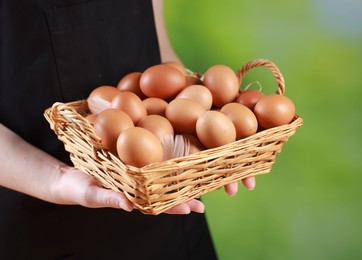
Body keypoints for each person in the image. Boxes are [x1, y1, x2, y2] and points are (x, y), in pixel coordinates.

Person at [0, 0, 256, 258]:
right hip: (40, 213)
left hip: (164, 195)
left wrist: (207, 128)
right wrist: (57, 179)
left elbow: (157, 46)